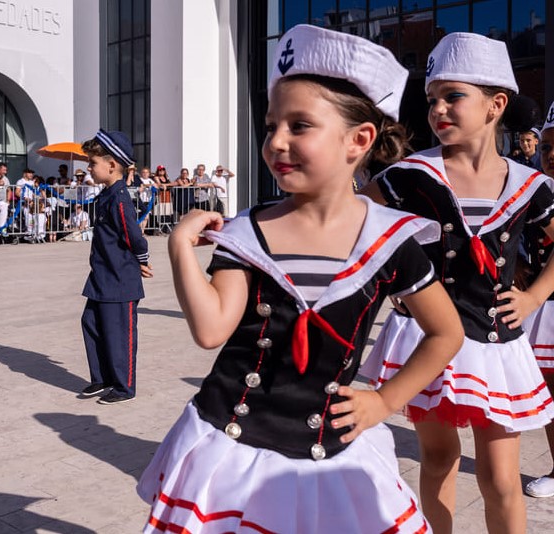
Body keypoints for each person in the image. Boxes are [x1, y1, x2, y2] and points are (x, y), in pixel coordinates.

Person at [137, 25, 464, 533]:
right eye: (271, 126)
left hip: (330, 457)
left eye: (299, 125)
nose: (277, 142)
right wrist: (180, 247)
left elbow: (447, 332)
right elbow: (210, 330)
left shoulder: (390, 239)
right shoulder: (248, 228)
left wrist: (385, 400)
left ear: (359, 140)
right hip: (230, 448)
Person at [359, 33, 554, 533]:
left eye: (453, 96)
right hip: (429, 341)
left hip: (496, 342)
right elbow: (353, 226)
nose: (438, 109)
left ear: (496, 105)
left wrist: (533, 295)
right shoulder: (407, 178)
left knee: (500, 478)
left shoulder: (529, 186)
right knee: (439, 457)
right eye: (431, 100)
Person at [79, 129, 153, 405]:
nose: (89, 168)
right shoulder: (106, 195)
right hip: (101, 275)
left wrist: (141, 260)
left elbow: (133, 236)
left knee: (119, 333)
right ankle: (102, 378)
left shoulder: (120, 198)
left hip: (119, 279)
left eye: (92, 163)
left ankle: (124, 386)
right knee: (92, 324)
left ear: (111, 166)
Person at [522, 103, 554, 498]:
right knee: (549, 390)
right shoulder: (534, 191)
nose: (550, 155)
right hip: (546, 307)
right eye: (545, 147)